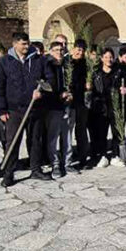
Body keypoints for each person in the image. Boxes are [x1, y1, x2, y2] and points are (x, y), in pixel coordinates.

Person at [0, 32, 53, 187]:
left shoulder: (39, 60)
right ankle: (8, 174)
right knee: (12, 142)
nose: (26, 46)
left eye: (27, 43)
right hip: (14, 110)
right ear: (14, 44)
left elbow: (50, 80)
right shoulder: (4, 62)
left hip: (34, 108)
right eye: (23, 44)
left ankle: (35, 169)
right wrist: (1, 110)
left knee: (35, 140)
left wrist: (42, 92)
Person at [88, 48, 126, 168]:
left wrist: (124, 90)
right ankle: (103, 155)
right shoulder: (96, 73)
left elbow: (125, 84)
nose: (108, 59)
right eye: (106, 57)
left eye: (110, 57)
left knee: (116, 131)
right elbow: (93, 90)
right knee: (102, 132)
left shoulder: (118, 71)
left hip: (115, 105)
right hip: (101, 106)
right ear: (102, 58)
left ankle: (115, 155)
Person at [44, 41, 76, 178]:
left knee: (67, 136)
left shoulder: (67, 65)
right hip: (53, 106)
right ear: (51, 51)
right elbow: (45, 86)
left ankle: (67, 163)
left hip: (67, 105)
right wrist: (58, 95)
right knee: (53, 137)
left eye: (61, 50)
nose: (59, 52)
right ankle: (55, 164)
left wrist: (71, 94)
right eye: (56, 50)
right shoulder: (47, 65)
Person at [68, 39, 90, 169]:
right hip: (69, 102)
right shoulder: (67, 63)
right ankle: (67, 158)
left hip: (81, 101)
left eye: (82, 50)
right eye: (78, 49)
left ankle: (83, 157)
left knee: (81, 130)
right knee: (67, 131)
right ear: (73, 49)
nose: (80, 52)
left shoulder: (85, 64)